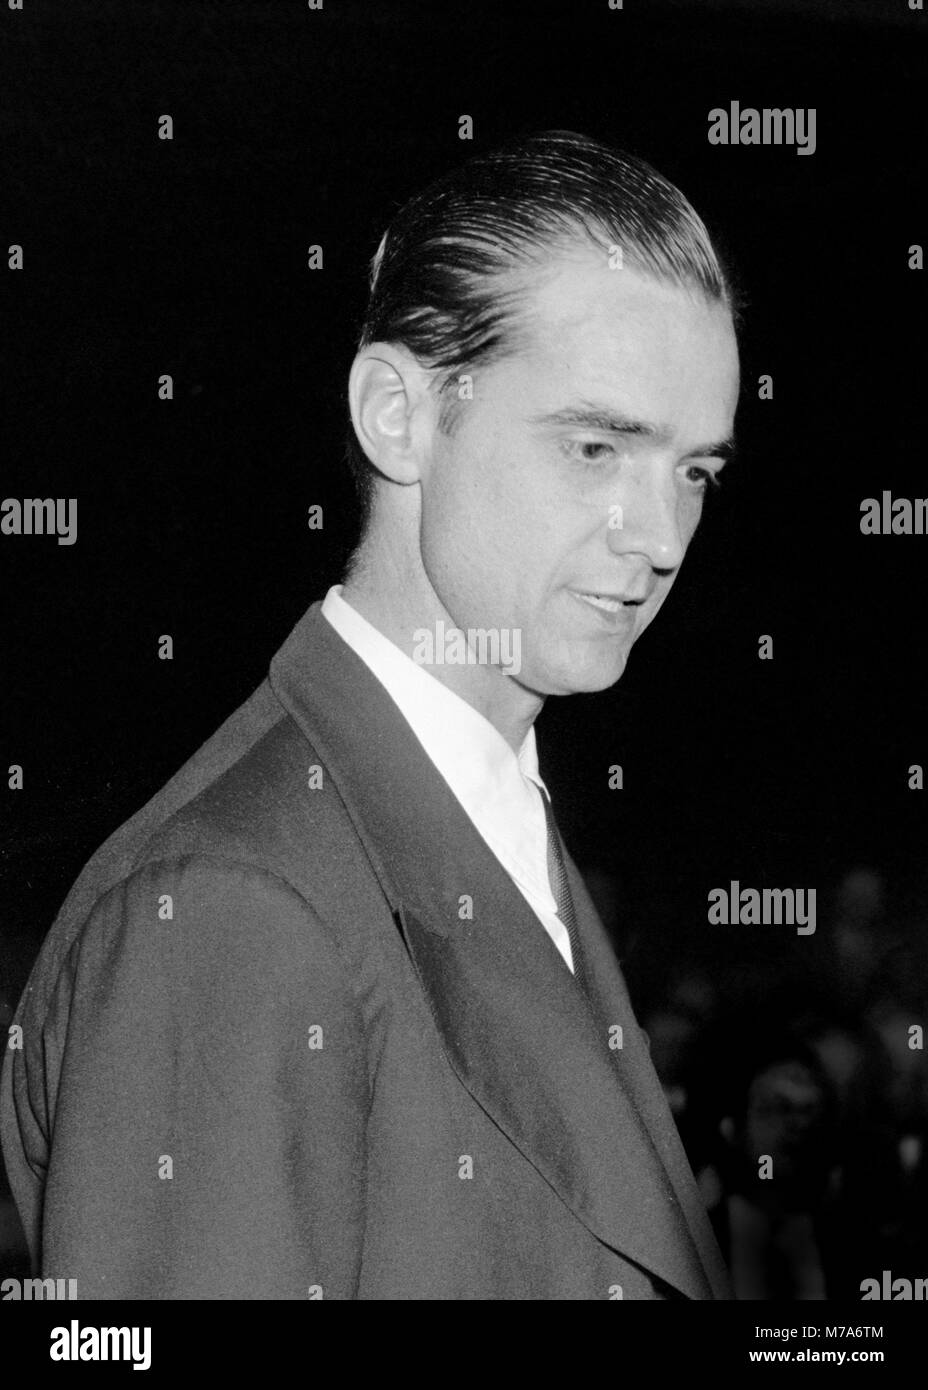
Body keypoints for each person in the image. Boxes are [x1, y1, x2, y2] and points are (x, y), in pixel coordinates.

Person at [1, 130, 740, 1299]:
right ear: (396, 415)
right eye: (595, 446)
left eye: (695, 472)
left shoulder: (477, 805)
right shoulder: (233, 906)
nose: (657, 538)